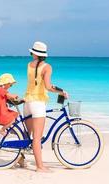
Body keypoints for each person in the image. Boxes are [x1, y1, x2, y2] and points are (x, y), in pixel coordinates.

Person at [24, 41, 68, 172]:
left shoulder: (29, 65)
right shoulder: (47, 67)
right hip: (37, 104)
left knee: (27, 136)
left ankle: (21, 160)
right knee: (37, 138)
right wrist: (61, 91)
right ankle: (39, 166)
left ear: (34, 53)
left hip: (27, 102)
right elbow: (48, 87)